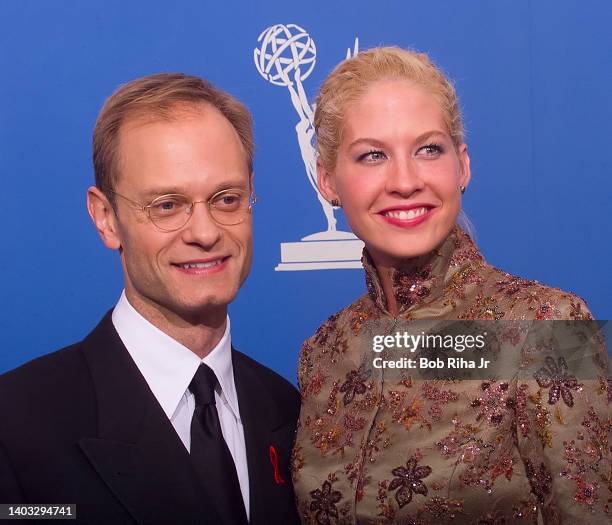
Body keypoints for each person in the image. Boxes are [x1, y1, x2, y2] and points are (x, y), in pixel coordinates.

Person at [292, 48, 610, 524]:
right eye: (372, 155)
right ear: (327, 181)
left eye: (428, 149)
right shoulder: (323, 351)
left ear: (462, 166)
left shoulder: (547, 326)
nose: (404, 180)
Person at [0, 73, 300, 524]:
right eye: (167, 205)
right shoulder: (16, 424)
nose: (204, 232)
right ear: (106, 218)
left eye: (226, 198)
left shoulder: (289, 410)